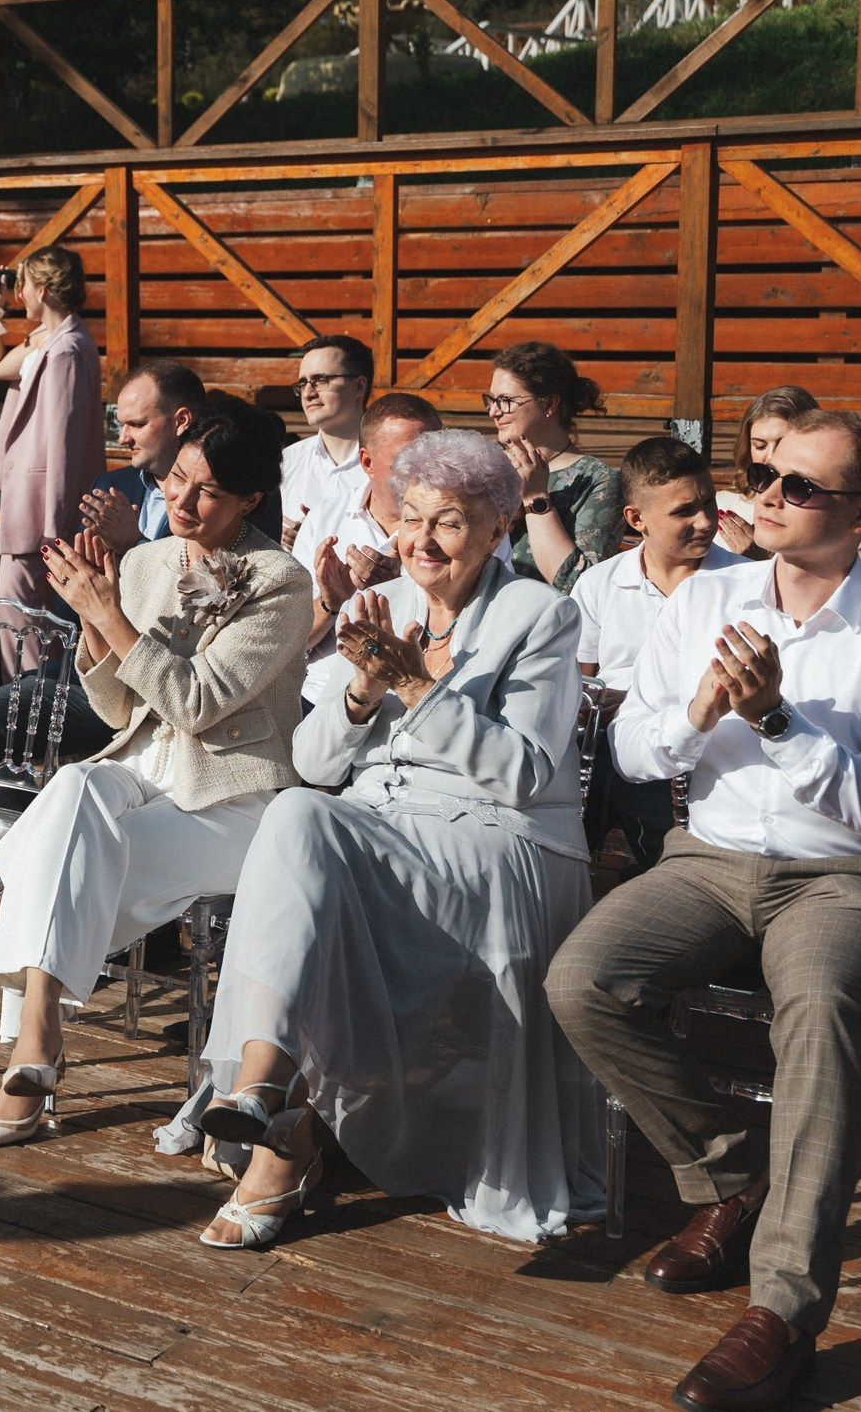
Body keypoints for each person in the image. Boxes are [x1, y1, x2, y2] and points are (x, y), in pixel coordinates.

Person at [548, 411, 861, 1412]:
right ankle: (725, 1173)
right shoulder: (707, 600)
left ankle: (781, 1310)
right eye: (767, 479)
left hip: (842, 876)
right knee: (582, 981)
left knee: (815, 1014)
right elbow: (638, 754)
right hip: (709, 855)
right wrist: (699, 712)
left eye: (799, 489)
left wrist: (775, 718)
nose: (767, 499)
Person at [195, 429, 599, 1250]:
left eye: (448, 523)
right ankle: (266, 1094)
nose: (420, 540)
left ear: (497, 530)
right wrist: (362, 690)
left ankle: (281, 1126)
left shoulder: (541, 615)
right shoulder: (382, 608)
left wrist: (416, 684)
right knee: (297, 815)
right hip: (384, 834)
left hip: (501, 843)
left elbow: (522, 774)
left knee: (306, 834)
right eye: (410, 517)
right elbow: (310, 764)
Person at [0, 403, 309, 1150]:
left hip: (236, 795)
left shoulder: (279, 581)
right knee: (72, 790)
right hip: (143, 765)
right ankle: (39, 1032)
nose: (182, 503)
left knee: (51, 855)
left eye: (208, 492)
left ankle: (35, 1049)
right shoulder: (155, 561)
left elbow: (195, 702)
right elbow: (120, 699)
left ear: (251, 501)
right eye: (178, 479)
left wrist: (105, 611)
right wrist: (94, 621)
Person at [571, 436, 748, 870]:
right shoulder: (600, 583)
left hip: (695, 751)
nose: (706, 521)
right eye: (684, 511)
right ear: (636, 519)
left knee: (667, 857)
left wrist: (632, 701)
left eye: (709, 503)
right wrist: (592, 704)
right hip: (604, 746)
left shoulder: (746, 582)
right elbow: (579, 678)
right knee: (568, 837)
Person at [0, 247, 104, 612]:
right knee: (17, 613)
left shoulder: (66, 350)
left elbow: (64, 443)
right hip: (27, 500)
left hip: (43, 510)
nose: (20, 294)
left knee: (19, 618)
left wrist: (54, 524)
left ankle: (27, 675)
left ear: (43, 290)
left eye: (24, 285)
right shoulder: (48, 338)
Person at [291, 392, 439, 711]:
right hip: (321, 700)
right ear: (367, 463)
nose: (423, 472)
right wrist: (331, 602)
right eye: (406, 461)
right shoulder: (326, 519)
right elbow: (291, 643)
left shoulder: (465, 525)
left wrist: (401, 583)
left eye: (432, 458)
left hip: (417, 701)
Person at [487, 340, 620, 591]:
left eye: (505, 400)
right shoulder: (485, 464)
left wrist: (536, 499)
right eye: (491, 400)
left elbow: (578, 586)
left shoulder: (596, 479)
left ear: (549, 404)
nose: (494, 411)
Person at [78, 361, 203, 556]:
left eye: (137, 424)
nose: (123, 439)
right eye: (122, 424)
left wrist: (133, 544)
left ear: (181, 421)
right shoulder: (109, 486)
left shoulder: (213, 497)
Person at [277, 334, 373, 546]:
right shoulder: (286, 462)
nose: (308, 393)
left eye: (321, 380)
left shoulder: (387, 464)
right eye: (303, 383)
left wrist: (312, 539)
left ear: (359, 387)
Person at [717, 385, 819, 556]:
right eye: (760, 445)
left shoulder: (830, 508)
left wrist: (758, 564)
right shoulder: (723, 504)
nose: (770, 457)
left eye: (783, 443)